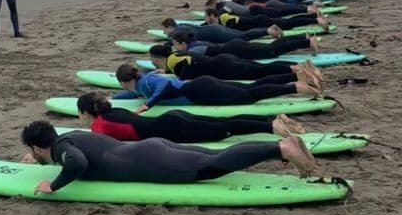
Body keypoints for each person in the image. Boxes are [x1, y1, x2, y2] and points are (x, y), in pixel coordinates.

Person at [21, 121, 318, 196]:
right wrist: (40, 160)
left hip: (149, 162)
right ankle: (282, 146)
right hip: (151, 147)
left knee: (211, 168)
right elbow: (74, 152)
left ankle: (281, 149)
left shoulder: (63, 150)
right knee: (218, 154)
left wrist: (54, 185)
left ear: (37, 146)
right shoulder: (69, 135)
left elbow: (77, 163)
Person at [75, 90, 306, 142]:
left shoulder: (99, 125)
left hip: (174, 130)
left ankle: (272, 128)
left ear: (86, 112)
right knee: (224, 122)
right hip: (171, 117)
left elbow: (98, 143)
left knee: (226, 129)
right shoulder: (115, 112)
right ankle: (271, 121)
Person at [113, 62, 321, 110]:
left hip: (200, 91)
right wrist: (112, 99)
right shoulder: (140, 83)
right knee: (252, 88)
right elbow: (132, 95)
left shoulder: (148, 82)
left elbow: (164, 87)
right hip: (202, 84)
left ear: (125, 81)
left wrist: (148, 105)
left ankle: (295, 86)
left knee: (251, 95)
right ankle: (294, 75)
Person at [147, 42, 323, 92]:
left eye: (153, 59)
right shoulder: (174, 56)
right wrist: (165, 72)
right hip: (224, 60)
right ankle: (299, 66)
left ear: (157, 57)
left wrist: (182, 79)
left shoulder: (171, 60)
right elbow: (184, 61)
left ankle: (299, 71)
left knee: (260, 72)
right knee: (261, 67)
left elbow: (187, 65)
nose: (152, 62)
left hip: (224, 68)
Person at [171, 27, 320, 63]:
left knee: (272, 51)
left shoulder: (193, 50)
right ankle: (302, 37)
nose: (175, 48)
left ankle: (307, 42)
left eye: (176, 45)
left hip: (237, 50)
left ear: (183, 43)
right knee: (270, 47)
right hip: (235, 46)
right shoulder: (195, 43)